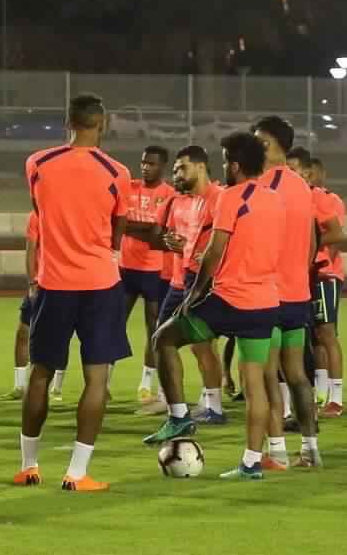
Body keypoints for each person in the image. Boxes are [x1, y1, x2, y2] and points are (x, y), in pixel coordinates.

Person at [145, 132, 285, 481]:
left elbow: (214, 251)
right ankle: (252, 463)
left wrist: (192, 298)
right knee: (255, 385)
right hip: (265, 301)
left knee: (163, 339)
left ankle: (179, 415)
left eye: (225, 160)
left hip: (230, 299)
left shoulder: (230, 197)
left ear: (235, 165)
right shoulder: (275, 200)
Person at [13, 94, 130, 493]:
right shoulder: (117, 172)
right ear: (104, 123)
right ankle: (77, 473)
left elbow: (39, 211)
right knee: (96, 378)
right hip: (100, 284)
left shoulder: (38, 164)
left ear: (68, 122)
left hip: (53, 283)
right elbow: (118, 227)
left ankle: (29, 466)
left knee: (41, 373)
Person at [252, 116, 321, 469]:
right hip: (297, 294)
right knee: (296, 374)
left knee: (266, 374)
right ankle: (310, 449)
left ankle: (276, 450)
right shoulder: (301, 186)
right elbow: (312, 241)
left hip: (268, 295)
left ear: (269, 144)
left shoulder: (262, 185)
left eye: (257, 140)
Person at [155, 145, 225, 424]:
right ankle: (178, 404)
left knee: (202, 344)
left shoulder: (218, 198)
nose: (177, 174)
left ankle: (214, 407)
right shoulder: (182, 201)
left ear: (200, 166)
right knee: (162, 338)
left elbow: (229, 236)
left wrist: (209, 255)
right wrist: (169, 242)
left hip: (203, 279)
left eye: (181, 167)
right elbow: (169, 236)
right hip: (180, 278)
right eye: (174, 170)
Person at [118, 145, 175, 409]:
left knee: (154, 328)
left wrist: (129, 227)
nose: (145, 167)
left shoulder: (169, 195)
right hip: (125, 266)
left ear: (162, 166)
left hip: (154, 269)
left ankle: (145, 384)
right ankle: (104, 383)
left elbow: (158, 234)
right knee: (113, 324)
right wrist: (147, 231)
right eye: (143, 162)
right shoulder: (129, 186)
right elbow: (117, 221)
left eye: (151, 164)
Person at [301, 152, 347, 417]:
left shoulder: (326, 199)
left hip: (324, 275)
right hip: (303, 276)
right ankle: (320, 394)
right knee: (314, 336)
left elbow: (336, 234)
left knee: (327, 333)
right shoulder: (293, 197)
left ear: (311, 173)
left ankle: (337, 398)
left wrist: (317, 256)